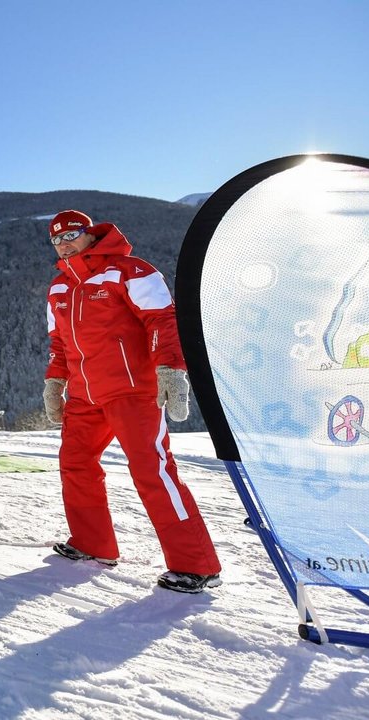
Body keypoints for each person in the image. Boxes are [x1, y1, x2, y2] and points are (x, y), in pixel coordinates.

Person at [43, 209, 222, 593]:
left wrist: (170, 369)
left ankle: (196, 565)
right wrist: (54, 382)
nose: (64, 243)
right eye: (56, 239)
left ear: (90, 234)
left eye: (71, 234)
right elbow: (59, 344)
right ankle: (93, 544)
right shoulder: (59, 287)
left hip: (131, 390)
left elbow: (162, 320)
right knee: (75, 464)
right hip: (84, 395)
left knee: (152, 470)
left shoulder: (130, 271)